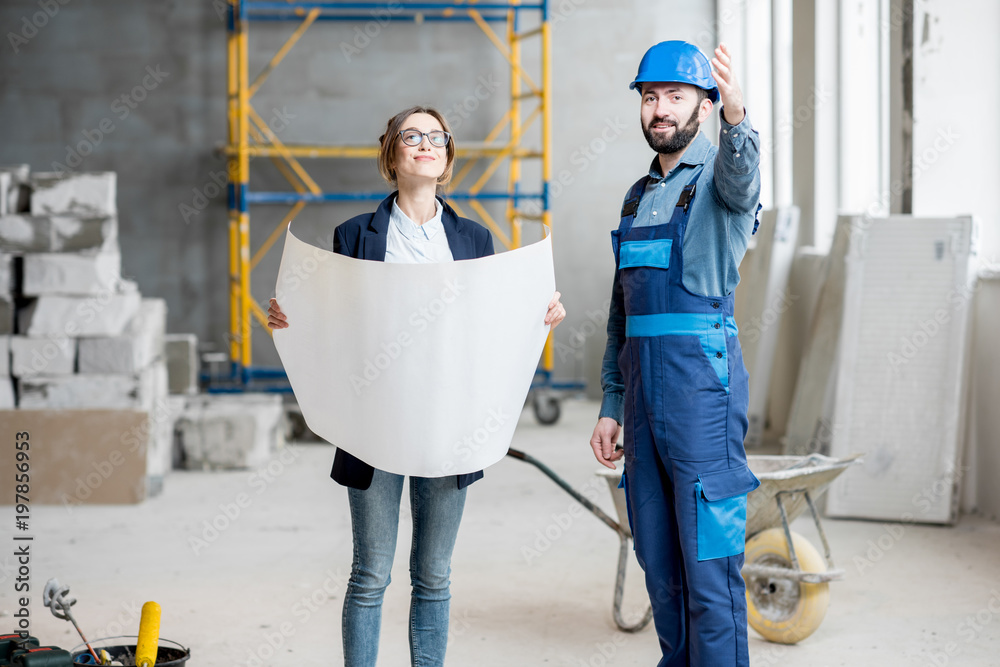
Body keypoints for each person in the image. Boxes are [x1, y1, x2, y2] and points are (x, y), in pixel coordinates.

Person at [268, 105, 565, 667]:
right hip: (372, 425)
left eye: (436, 137)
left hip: (448, 426)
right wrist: (293, 320)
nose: (425, 143)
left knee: (432, 576)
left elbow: (491, 324)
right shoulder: (355, 235)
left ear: (448, 155)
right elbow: (334, 321)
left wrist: (538, 312)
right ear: (392, 153)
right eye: (412, 136)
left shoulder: (475, 239)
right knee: (369, 575)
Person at [588, 42, 762, 666]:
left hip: (702, 400)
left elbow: (744, 177)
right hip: (641, 401)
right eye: (650, 96)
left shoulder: (721, 183)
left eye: (677, 96)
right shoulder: (637, 198)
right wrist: (611, 402)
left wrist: (737, 114)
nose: (660, 109)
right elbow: (621, 318)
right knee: (660, 564)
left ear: (704, 104)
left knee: (710, 570)